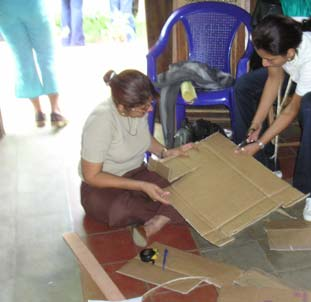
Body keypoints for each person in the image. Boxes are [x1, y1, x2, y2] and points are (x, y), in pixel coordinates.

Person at [233, 14, 311, 221]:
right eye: (262, 57)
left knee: (310, 107)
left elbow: (290, 111)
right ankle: (263, 166)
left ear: (290, 53)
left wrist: (262, 142)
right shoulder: (278, 34)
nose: (264, 64)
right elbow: (274, 78)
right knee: (244, 86)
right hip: (300, 69)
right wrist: (256, 122)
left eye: (269, 59)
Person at [79, 69, 194, 244]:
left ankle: (160, 219)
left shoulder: (136, 109)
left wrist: (165, 152)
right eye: (144, 108)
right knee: (121, 210)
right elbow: (92, 176)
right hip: (102, 186)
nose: (149, 110)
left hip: (138, 172)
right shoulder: (101, 121)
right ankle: (168, 212)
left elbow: (144, 138)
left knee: (186, 182)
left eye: (149, 104)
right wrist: (141, 186)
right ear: (121, 108)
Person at [0, 0, 68, 128]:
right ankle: (55, 111)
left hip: (4, 9)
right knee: (46, 56)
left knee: (22, 60)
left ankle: (38, 113)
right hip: (32, 6)